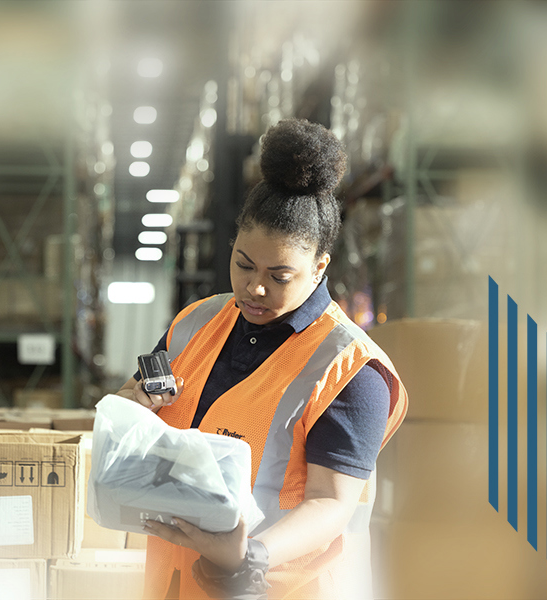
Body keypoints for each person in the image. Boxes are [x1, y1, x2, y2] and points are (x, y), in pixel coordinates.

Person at [116, 118, 408, 600]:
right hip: (177, 582)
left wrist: (253, 556)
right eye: (244, 264)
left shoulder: (351, 371)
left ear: (319, 268)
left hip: (277, 587)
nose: (254, 287)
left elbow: (331, 502)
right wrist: (132, 405)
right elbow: (135, 402)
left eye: (279, 275)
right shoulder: (195, 323)